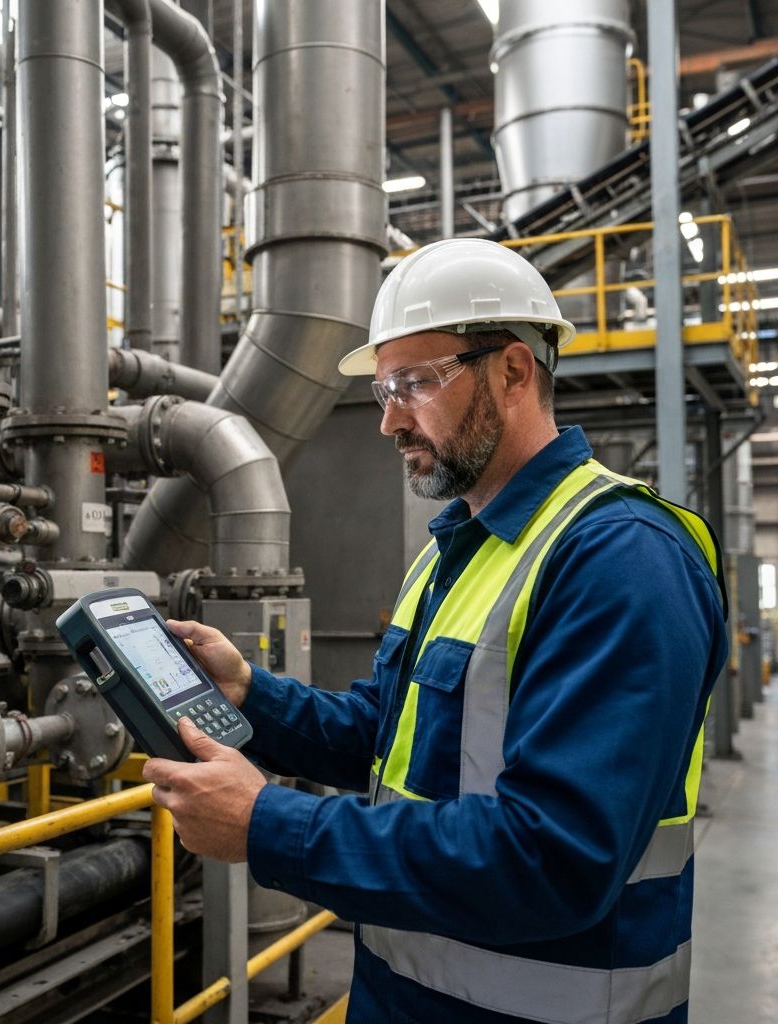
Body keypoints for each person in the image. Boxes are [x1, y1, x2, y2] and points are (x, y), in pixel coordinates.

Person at [143, 238, 729, 1024]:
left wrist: (269, 827)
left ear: (515, 370)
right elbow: (392, 737)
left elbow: (554, 859)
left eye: (414, 384)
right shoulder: (457, 548)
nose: (388, 420)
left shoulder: (622, 559)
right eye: (384, 388)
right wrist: (251, 693)